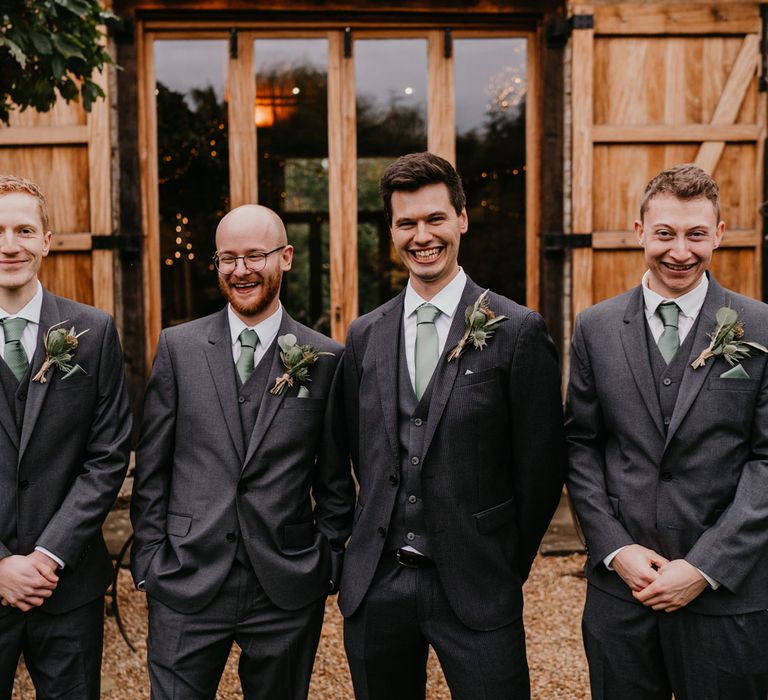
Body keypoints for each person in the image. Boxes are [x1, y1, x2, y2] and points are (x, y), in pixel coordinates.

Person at [338, 152, 566, 699]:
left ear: (462, 218)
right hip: (378, 585)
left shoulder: (517, 330)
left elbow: (541, 465)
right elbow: (354, 445)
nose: (422, 236)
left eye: (435, 219)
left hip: (477, 581)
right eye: (407, 223)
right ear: (392, 230)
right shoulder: (365, 335)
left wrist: (503, 561)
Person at [131, 204, 355, 700]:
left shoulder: (326, 358)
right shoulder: (177, 348)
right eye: (227, 258)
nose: (241, 271)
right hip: (185, 577)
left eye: (255, 256)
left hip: (286, 585)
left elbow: (336, 479)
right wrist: (150, 558)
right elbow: (154, 466)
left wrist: (327, 561)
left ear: (287, 257)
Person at [566, 163, 768, 699]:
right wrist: (614, 548)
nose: (681, 251)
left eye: (696, 234)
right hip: (621, 597)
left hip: (728, 596)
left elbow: (766, 460)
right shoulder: (595, 328)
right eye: (665, 234)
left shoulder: (761, 326)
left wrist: (705, 566)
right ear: (640, 233)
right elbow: (581, 445)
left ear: (719, 234)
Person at [0, 174, 132, 698]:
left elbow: (107, 456)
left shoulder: (92, 332)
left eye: (25, 230)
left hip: (67, 585)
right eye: (0, 230)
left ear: (47, 242)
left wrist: (46, 556)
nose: (10, 244)